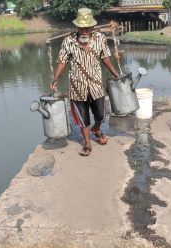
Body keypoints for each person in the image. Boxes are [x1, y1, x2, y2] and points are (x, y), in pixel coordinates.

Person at [50, 8, 120, 156]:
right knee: (82, 118)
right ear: (77, 27)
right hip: (77, 86)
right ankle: (87, 143)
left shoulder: (100, 38)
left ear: (92, 27)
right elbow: (62, 61)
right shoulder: (69, 41)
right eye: (82, 28)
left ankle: (97, 129)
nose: (84, 31)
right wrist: (55, 78)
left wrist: (115, 73)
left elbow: (105, 57)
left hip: (96, 85)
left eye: (87, 28)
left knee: (101, 114)